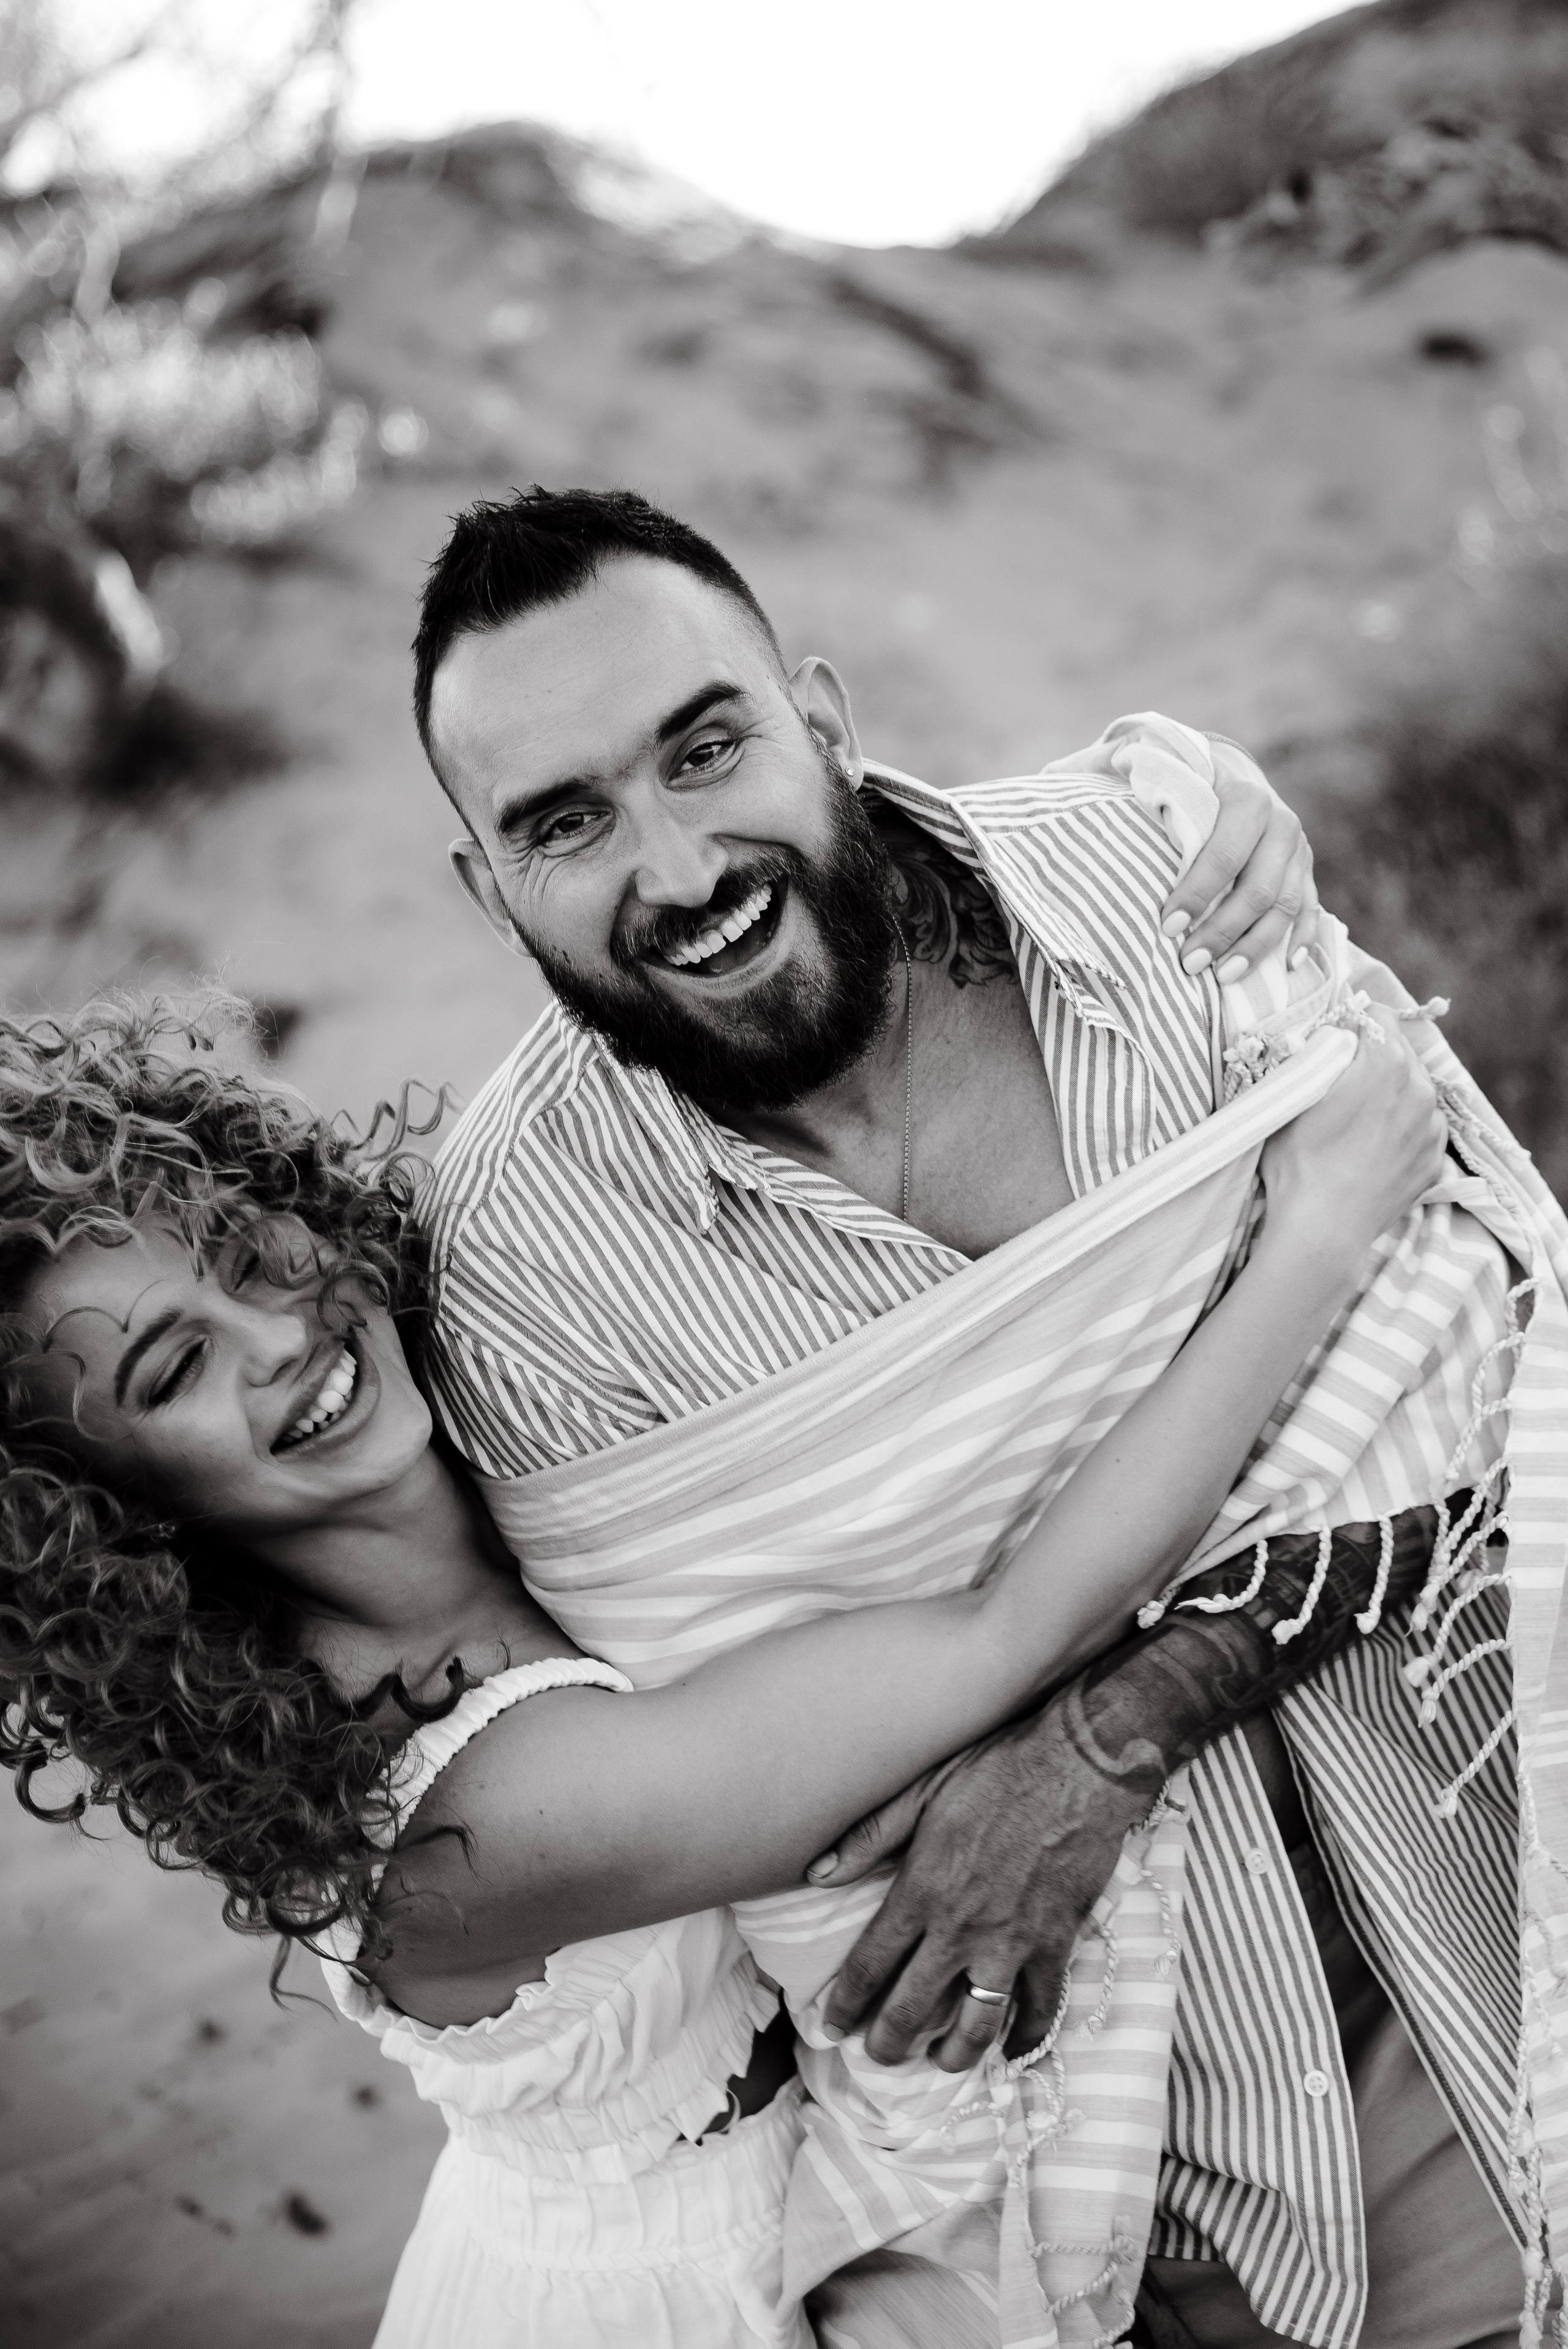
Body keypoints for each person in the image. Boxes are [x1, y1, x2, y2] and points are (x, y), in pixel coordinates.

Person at [410, 486, 1568, 2348]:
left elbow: (1476, 1328)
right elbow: (811, 1825)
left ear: (824, 719)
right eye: (565, 822)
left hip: (1495, 1929)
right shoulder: (521, 1274)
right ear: (489, 891)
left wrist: (1109, 1730)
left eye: (708, 748)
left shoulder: (1159, 870)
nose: (684, 862)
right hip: (1118, 2181)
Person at [0, 994, 1441, 2349]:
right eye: (173, 1372)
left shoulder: (500, 1382)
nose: (279, 1337)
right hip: (673, 2296)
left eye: (247, 1255)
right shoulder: (466, 1814)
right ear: (108, 1516)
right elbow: (1005, 1633)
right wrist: (1316, 1232)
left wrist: (1186, 809)